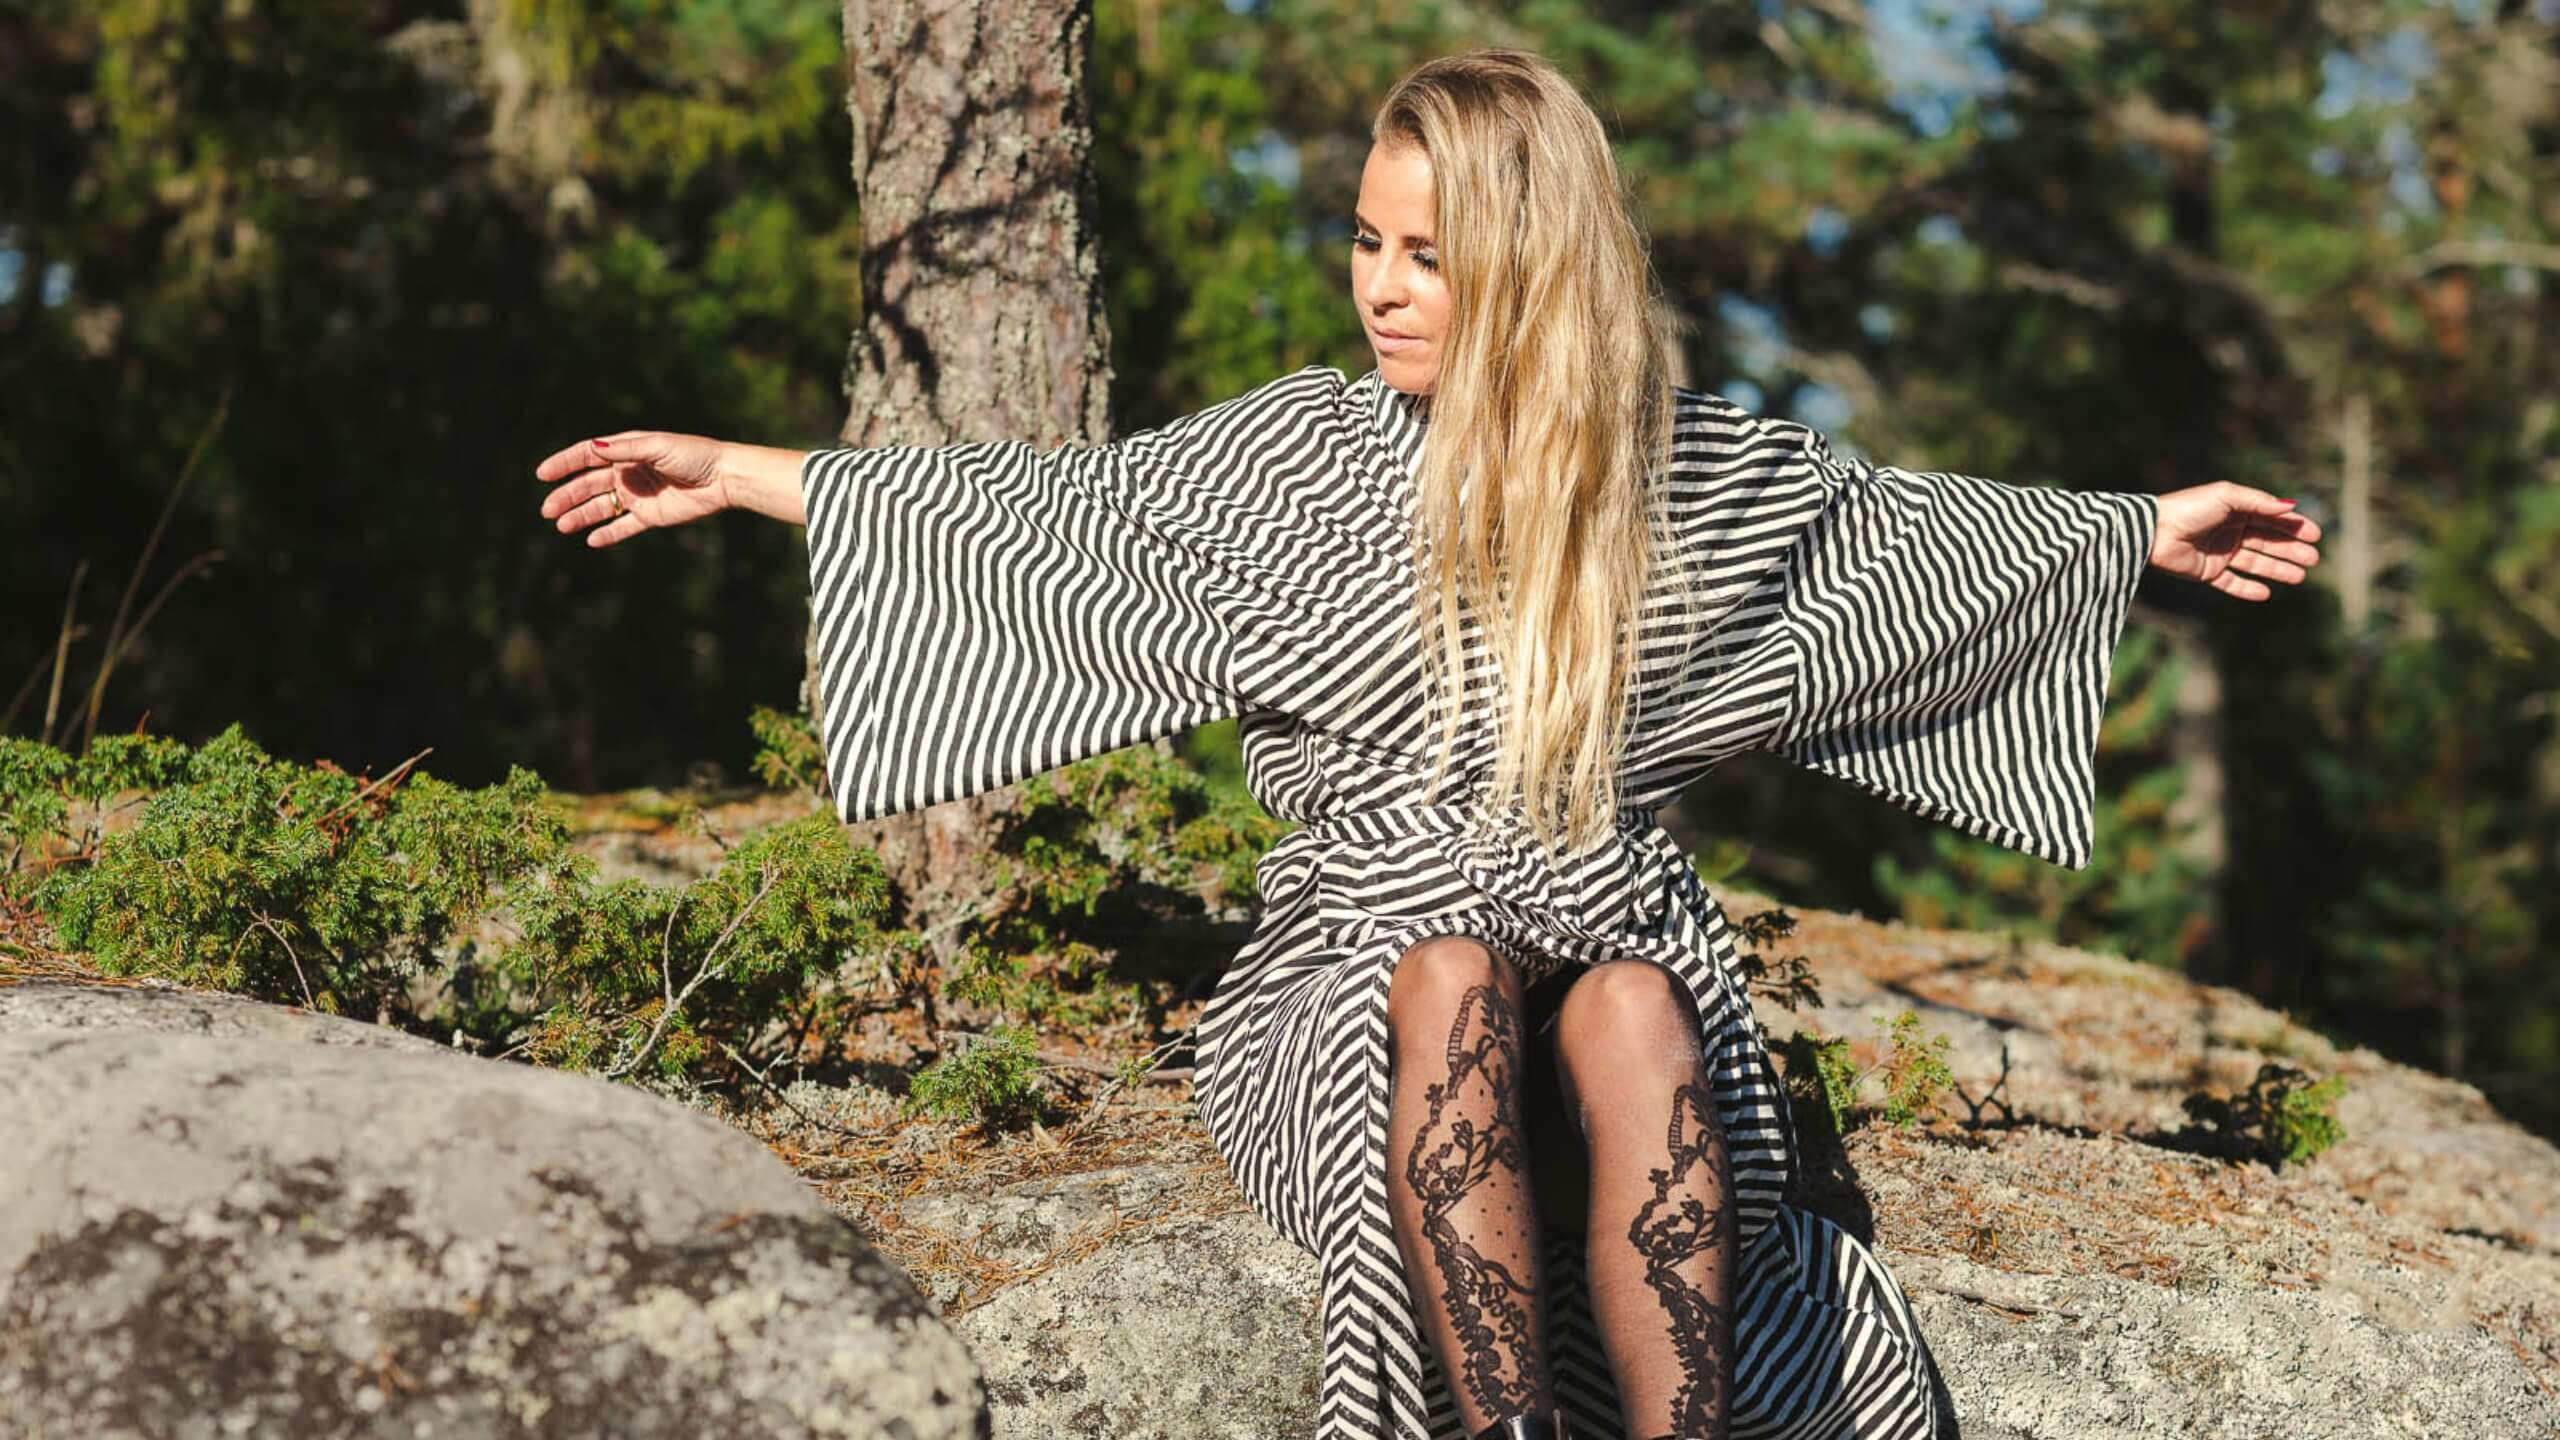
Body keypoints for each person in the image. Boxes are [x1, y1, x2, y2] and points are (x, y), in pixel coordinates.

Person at [534, 47, 2319, 1440]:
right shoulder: (1293, 458)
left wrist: (2135, 528)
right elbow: (1043, 511)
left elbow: (1899, 540)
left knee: (1628, 1004)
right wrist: (748, 475)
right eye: (1369, 244)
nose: (1384, 288)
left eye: (1432, 257)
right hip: (1357, 975)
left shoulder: (1672, 479)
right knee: (1452, 965)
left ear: (1531, 266)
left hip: (1627, 955)